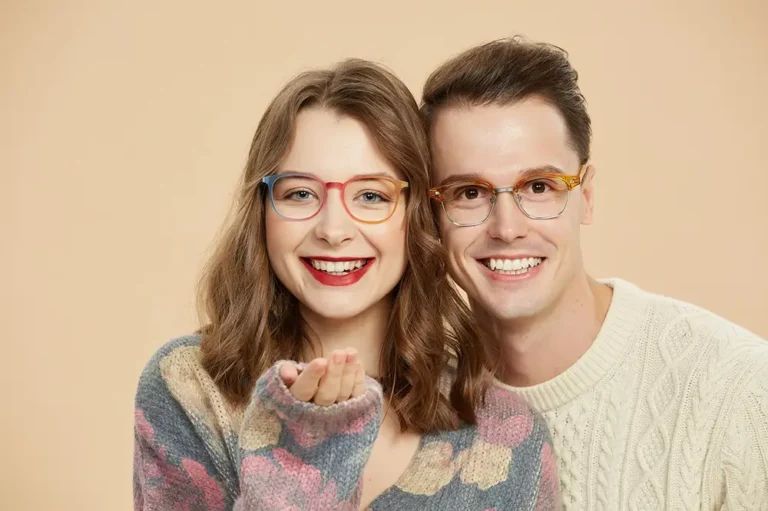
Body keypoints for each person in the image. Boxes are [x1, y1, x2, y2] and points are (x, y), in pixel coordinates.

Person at [133, 58, 560, 510]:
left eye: (371, 195)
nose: (333, 230)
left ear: (417, 216)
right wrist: (300, 464)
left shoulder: (506, 439)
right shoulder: (191, 389)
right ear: (262, 210)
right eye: (300, 193)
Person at [422, 37, 768, 510]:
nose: (507, 228)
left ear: (585, 196)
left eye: (538, 186)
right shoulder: (413, 408)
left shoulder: (738, 390)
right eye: (469, 193)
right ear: (432, 216)